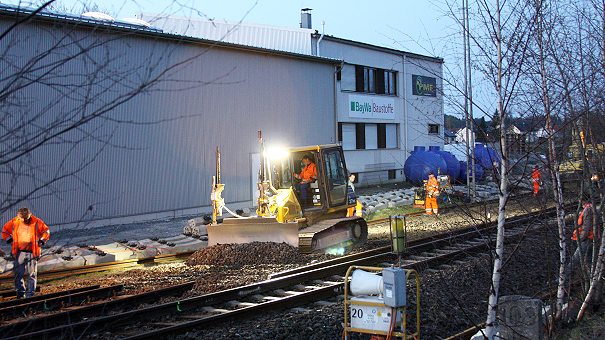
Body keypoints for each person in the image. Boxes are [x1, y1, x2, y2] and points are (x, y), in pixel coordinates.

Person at [2, 208, 50, 298]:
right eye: (22, 218)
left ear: (29, 215)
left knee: (32, 274)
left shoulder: (36, 222)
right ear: (19, 216)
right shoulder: (14, 222)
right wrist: (10, 240)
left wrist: (42, 240)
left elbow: (46, 231)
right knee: (18, 274)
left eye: (26, 218)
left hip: (33, 252)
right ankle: (20, 293)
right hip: (19, 252)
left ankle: (30, 295)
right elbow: (5, 231)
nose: (24, 220)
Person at [570, 200, 595, 274]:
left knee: (575, 259)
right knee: (588, 259)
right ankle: (592, 276)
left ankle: (563, 277)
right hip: (591, 237)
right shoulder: (590, 208)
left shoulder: (588, 209)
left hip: (587, 238)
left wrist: (581, 239)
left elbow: (586, 227)